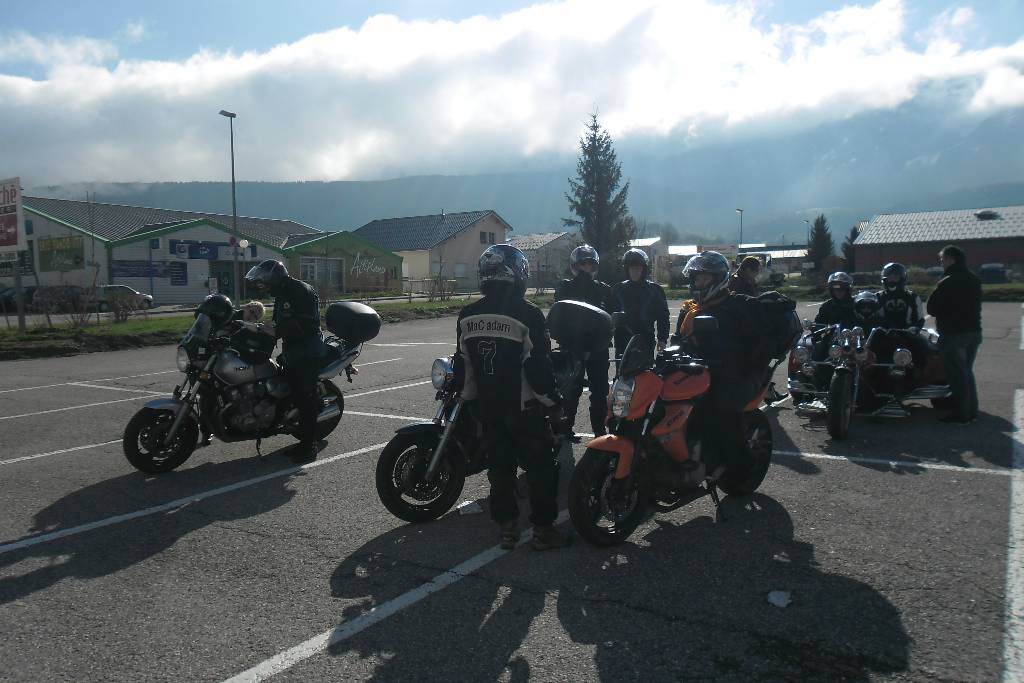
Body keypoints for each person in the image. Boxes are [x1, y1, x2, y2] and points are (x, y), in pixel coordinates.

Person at [453, 244, 569, 551]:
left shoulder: (467, 315)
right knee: (541, 468)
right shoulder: (528, 314)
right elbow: (538, 369)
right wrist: (554, 404)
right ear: (517, 273)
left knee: (500, 468)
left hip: (488, 407)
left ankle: (507, 528)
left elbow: (464, 367)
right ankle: (543, 530)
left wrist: (469, 400)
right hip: (524, 407)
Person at [671, 251, 769, 475]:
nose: (699, 283)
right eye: (696, 278)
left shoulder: (737, 306)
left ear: (718, 279)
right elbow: (678, 340)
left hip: (736, 372)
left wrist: (735, 360)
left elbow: (758, 341)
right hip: (697, 370)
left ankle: (740, 466)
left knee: (721, 409)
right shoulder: (690, 309)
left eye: (704, 278)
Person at [244, 259, 326, 463]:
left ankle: (309, 446)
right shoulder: (282, 294)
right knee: (280, 388)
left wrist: (277, 330)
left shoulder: (301, 291)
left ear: (275, 278)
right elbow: (277, 322)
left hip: (308, 351)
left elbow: (307, 323)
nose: (263, 286)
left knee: (304, 396)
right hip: (293, 350)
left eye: (265, 281)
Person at [554, 244, 611, 439]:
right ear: (574, 266)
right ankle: (565, 428)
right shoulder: (565, 287)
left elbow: (613, 316)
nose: (586, 268)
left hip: (598, 348)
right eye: (582, 264)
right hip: (573, 347)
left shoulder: (604, 289)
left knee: (600, 390)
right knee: (570, 389)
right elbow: (559, 313)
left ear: (595, 266)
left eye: (590, 264)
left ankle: (599, 430)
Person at [926, 244, 982, 424]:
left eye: (942, 259)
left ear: (951, 259)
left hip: (953, 334)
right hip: (974, 332)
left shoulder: (947, 281)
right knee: (967, 372)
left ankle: (961, 414)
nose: (941, 263)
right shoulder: (973, 279)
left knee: (957, 375)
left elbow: (931, 308)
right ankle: (972, 411)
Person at [610, 248, 670, 358]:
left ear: (644, 269)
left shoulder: (654, 290)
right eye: (631, 268)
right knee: (622, 367)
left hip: (645, 339)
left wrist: (662, 339)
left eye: (638, 268)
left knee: (645, 368)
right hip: (622, 340)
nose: (635, 271)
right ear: (627, 269)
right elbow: (610, 314)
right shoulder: (618, 289)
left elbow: (663, 317)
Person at [877, 263, 925, 330]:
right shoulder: (877, 297)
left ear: (902, 279)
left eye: (895, 277)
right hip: (883, 334)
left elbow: (919, 319)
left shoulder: (912, 297)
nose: (892, 280)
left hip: (907, 334)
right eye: (890, 277)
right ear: (884, 279)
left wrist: (914, 329)